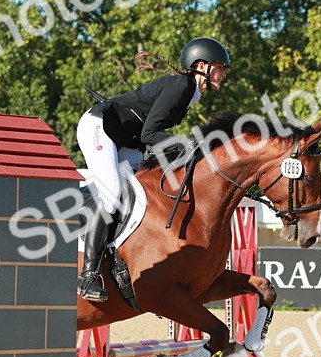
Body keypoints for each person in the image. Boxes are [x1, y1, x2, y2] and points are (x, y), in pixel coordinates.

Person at [75, 37, 232, 301]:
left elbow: (149, 137)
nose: (223, 73)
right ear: (202, 65)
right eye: (220, 66)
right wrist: (187, 144)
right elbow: (150, 135)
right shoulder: (181, 86)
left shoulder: (188, 93)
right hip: (101, 129)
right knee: (112, 194)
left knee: (146, 188)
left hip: (127, 140)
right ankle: (88, 274)